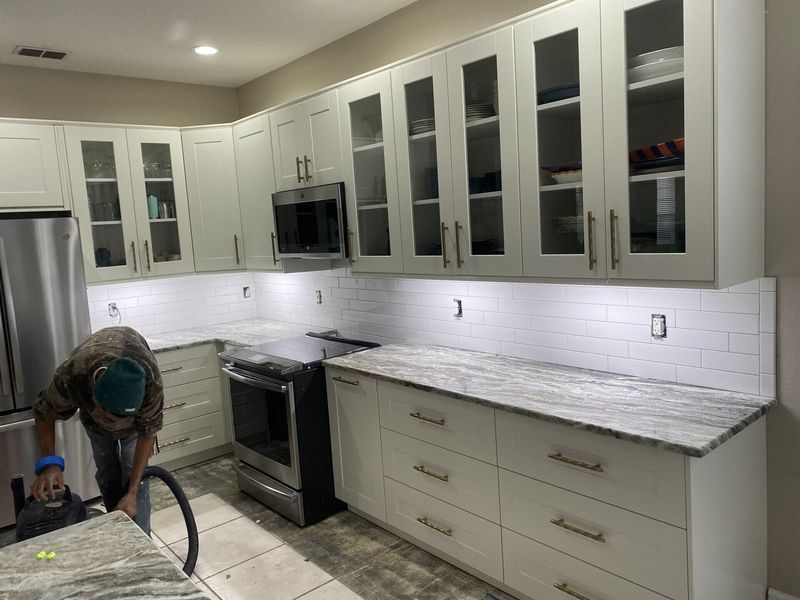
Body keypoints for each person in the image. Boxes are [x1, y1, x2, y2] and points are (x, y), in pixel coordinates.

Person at [31, 326, 163, 535]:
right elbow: (43, 412)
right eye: (109, 418)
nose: (115, 426)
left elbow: (148, 432)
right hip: (95, 424)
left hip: (135, 429)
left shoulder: (150, 384)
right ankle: (116, 528)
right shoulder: (75, 374)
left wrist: (132, 491)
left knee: (134, 476)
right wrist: (49, 464)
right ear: (94, 398)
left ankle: (141, 540)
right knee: (107, 472)